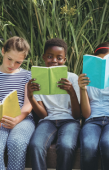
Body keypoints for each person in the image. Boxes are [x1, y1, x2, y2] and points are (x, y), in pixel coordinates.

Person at [28, 38, 81, 170]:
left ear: (65, 59)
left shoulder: (73, 78)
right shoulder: (38, 79)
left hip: (69, 121)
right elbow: (43, 114)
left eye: (59, 58)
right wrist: (30, 97)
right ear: (44, 57)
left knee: (66, 146)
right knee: (35, 145)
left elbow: (76, 115)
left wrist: (72, 93)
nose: (54, 61)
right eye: (50, 57)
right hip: (48, 120)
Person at [78, 42, 109, 170]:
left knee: (108, 145)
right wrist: (82, 89)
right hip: (92, 120)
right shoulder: (87, 80)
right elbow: (86, 114)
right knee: (88, 147)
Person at [0, 36, 35, 170]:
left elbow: (28, 104)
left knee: (17, 143)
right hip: (1, 119)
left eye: (18, 62)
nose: (12, 65)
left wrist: (17, 119)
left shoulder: (27, 75)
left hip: (23, 119)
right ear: (3, 51)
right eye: (9, 59)